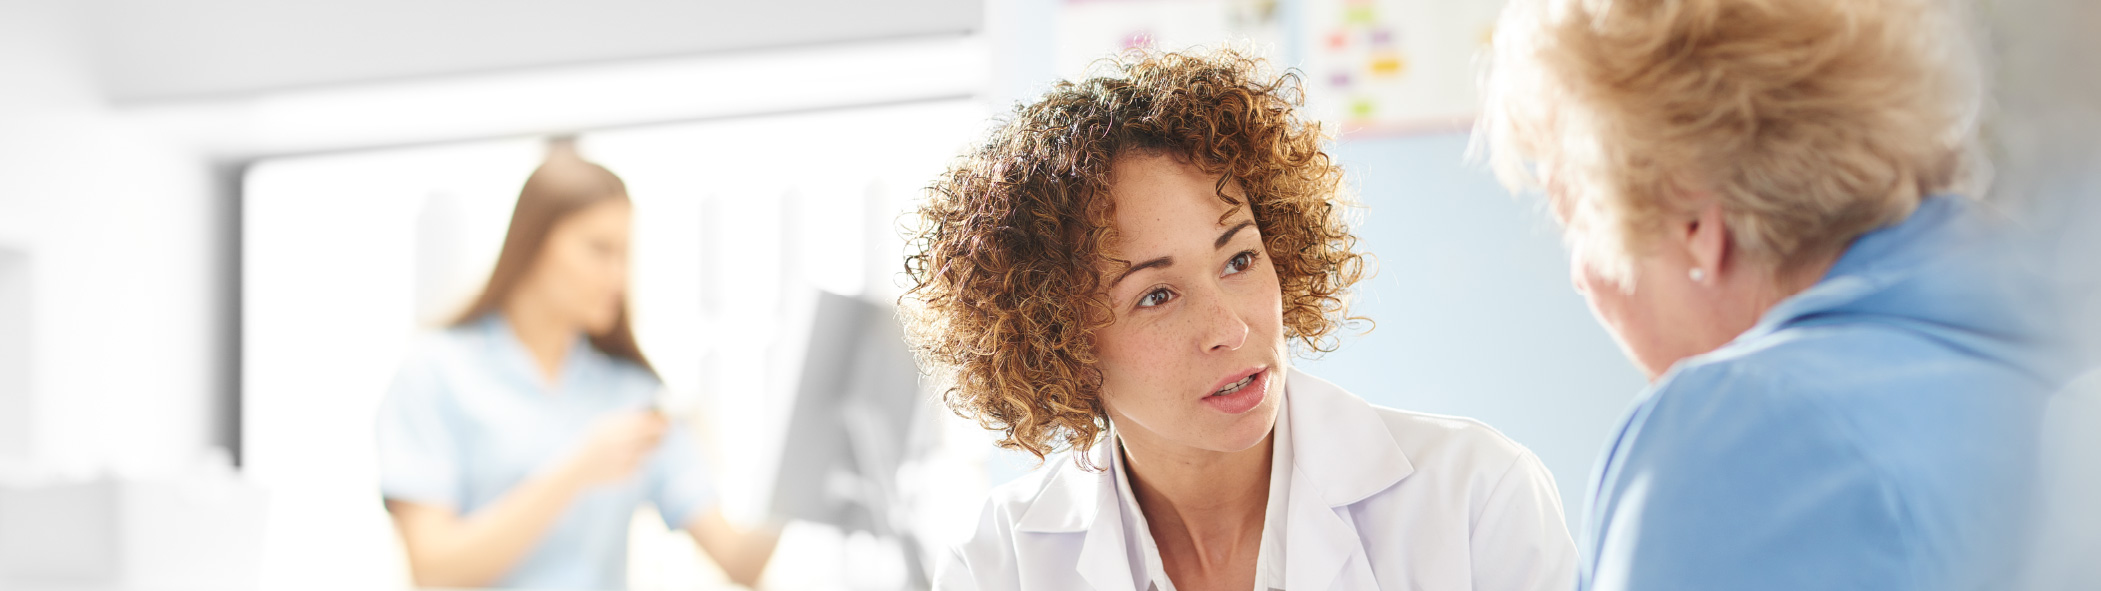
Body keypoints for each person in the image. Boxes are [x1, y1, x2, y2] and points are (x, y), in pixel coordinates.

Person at [904, 49, 1576, 591]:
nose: (1229, 329)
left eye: (1239, 259)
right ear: (1057, 344)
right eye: (1156, 296)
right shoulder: (998, 565)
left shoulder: (1474, 497)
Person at [1475, 0, 2072, 589]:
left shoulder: (1742, 433)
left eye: (1577, 222)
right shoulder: (2048, 349)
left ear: (1693, 223)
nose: (1582, 276)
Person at [375, 141, 778, 589]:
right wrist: (578, 469)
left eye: (624, 254)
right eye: (599, 250)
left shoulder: (633, 395)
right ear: (534, 245)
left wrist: (799, 466)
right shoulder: (436, 373)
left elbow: (739, 562)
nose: (618, 276)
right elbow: (432, 568)